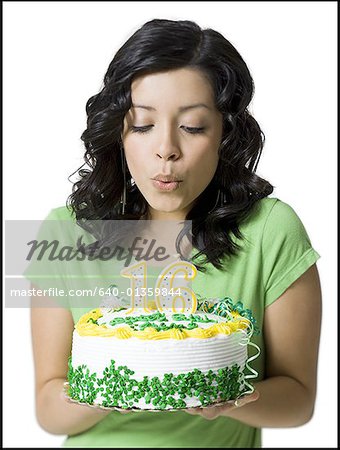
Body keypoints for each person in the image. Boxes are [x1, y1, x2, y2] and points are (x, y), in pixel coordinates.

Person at [29, 18, 322, 448]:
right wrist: (117, 387)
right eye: (143, 125)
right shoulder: (64, 231)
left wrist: (229, 399)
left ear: (226, 133)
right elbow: (48, 412)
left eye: (193, 127)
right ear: (119, 132)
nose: (166, 149)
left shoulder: (272, 230)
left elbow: (299, 402)